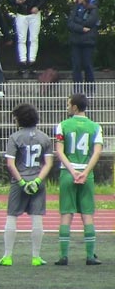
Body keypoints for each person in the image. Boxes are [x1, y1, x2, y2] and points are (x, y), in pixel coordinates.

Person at [0, 103, 53, 267]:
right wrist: (37, 181)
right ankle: (36, 257)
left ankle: (7, 256)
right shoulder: (44, 137)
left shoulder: (15, 137)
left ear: (20, 119)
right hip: (37, 182)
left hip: (18, 183)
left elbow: (10, 164)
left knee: (12, 216)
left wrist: (21, 181)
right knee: (37, 218)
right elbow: (48, 164)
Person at [54, 93, 103, 266]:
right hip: (86, 174)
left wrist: (73, 171)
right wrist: (84, 172)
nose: (67, 107)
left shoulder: (62, 125)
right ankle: (90, 256)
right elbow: (97, 152)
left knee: (66, 214)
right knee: (87, 215)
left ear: (74, 107)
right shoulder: (95, 127)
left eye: (68, 104)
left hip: (68, 173)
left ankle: (63, 256)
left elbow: (59, 151)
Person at [9, 0, 49, 75]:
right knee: (21, 38)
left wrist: (38, 6)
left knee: (33, 38)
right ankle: (22, 62)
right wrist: (16, 1)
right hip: (21, 13)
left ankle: (32, 61)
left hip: (34, 13)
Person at [68, 0, 99, 96]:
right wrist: (81, 28)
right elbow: (70, 23)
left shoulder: (93, 8)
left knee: (87, 65)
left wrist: (77, 21)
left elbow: (90, 22)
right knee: (76, 66)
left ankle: (90, 91)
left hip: (88, 42)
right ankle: (77, 90)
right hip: (76, 41)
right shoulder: (76, 7)